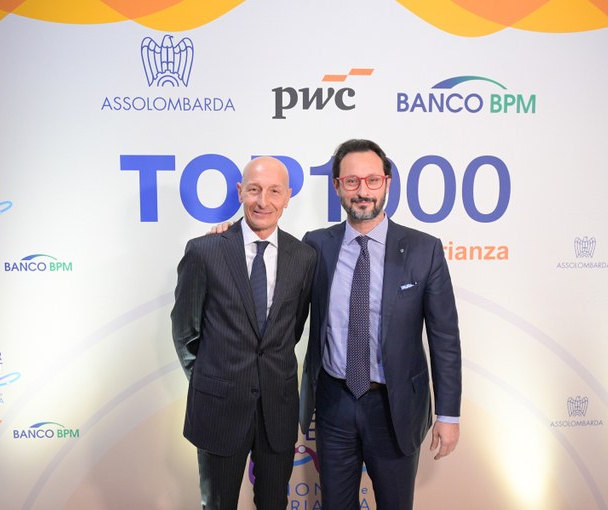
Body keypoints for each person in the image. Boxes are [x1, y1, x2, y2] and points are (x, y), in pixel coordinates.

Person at [299, 139, 462, 509]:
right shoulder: (316, 246)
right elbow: (276, 281)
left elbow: (445, 339)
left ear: (386, 183)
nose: (363, 191)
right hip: (334, 403)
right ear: (337, 186)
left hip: (396, 406)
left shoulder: (424, 249)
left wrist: (448, 415)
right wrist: (229, 240)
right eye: (352, 181)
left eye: (372, 180)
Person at [170, 156, 316, 510]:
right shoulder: (205, 251)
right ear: (240, 192)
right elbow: (185, 330)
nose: (263, 201)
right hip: (218, 409)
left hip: (277, 409)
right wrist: (211, 379)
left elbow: (292, 328)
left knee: (274, 504)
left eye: (274, 191)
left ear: (287, 197)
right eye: (254, 190)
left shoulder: (304, 257)